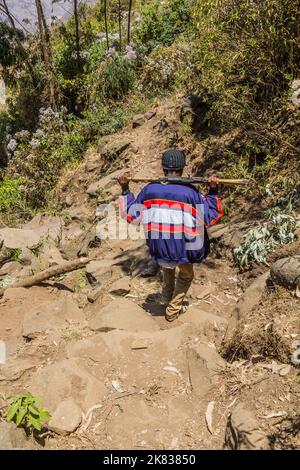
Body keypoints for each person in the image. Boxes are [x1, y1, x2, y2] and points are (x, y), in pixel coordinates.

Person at [118, 149, 223, 322]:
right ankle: (173, 309)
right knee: (186, 274)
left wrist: (125, 189)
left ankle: (166, 296)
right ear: (182, 169)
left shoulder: (149, 190)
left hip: (159, 247)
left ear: (163, 168)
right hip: (183, 248)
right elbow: (211, 216)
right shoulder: (190, 193)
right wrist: (213, 192)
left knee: (167, 265)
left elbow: (131, 215)